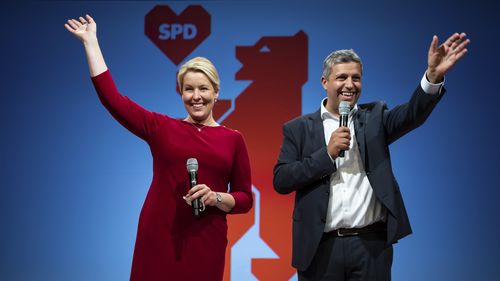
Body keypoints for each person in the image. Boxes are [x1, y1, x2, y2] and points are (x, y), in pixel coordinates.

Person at [65, 15, 253, 281]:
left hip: (206, 240)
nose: (196, 96)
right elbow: (113, 100)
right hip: (159, 234)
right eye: (188, 89)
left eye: (203, 88)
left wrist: (216, 197)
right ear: (180, 93)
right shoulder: (161, 127)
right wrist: (90, 43)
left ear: (216, 92)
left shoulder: (233, 139)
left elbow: (245, 198)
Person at [273, 33, 469, 281]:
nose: (349, 84)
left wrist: (433, 76)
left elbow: (412, 114)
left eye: (356, 78)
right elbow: (281, 179)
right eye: (341, 77)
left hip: (371, 247)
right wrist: (327, 155)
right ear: (324, 82)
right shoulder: (298, 128)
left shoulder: (375, 116)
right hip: (320, 249)